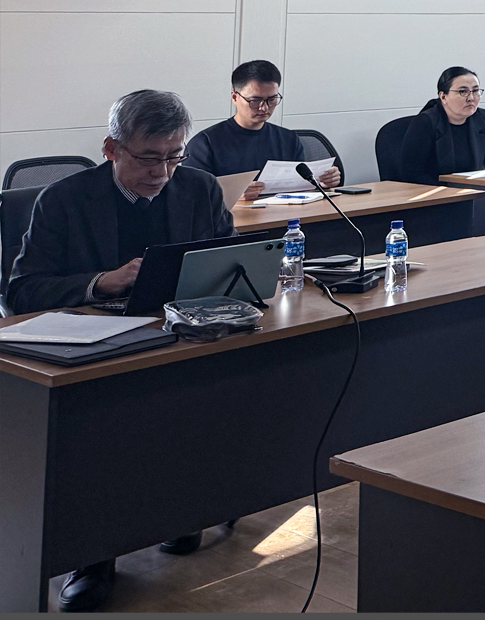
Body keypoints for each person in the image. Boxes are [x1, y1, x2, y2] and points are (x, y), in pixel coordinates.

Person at [4, 90, 237, 611]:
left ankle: (180, 510)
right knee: (101, 427)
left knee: (213, 393)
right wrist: (100, 282)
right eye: (148, 158)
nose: (162, 172)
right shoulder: (63, 200)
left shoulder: (199, 188)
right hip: (94, 350)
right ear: (111, 148)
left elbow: (229, 261)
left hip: (176, 339)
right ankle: (92, 556)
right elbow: (21, 292)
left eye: (173, 156)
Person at [182, 60, 342, 199]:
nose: (264, 107)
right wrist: (231, 194)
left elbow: (299, 188)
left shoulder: (288, 139)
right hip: (232, 220)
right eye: (255, 100)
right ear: (235, 97)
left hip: (284, 216)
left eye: (272, 99)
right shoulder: (205, 143)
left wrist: (321, 183)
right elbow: (192, 194)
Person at [397, 67, 485, 185]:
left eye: (475, 91)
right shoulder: (425, 123)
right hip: (435, 192)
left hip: (476, 190)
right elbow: (411, 174)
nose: (471, 98)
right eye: (463, 92)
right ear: (443, 97)